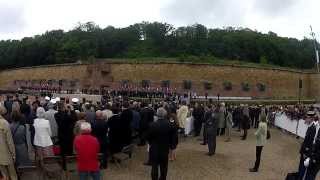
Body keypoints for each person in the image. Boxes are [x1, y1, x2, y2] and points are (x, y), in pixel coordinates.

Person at [146, 108, 174, 180]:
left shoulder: (152, 125)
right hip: (164, 149)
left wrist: (151, 143)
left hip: (154, 149)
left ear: (157, 115)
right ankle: (163, 178)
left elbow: (148, 137)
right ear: (165, 115)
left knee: (154, 167)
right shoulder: (169, 125)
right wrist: (171, 146)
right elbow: (172, 137)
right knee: (164, 167)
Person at [297, 111, 320, 179]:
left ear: (311, 118)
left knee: (303, 170)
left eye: (307, 118)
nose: (306, 119)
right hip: (305, 153)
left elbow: (311, 143)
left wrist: (306, 153)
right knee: (301, 170)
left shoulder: (313, 128)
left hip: (307, 154)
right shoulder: (310, 127)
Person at [0, 105, 17, 180]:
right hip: (7, 153)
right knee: (13, 175)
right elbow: (10, 142)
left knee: (4, 176)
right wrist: (13, 154)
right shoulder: (5, 123)